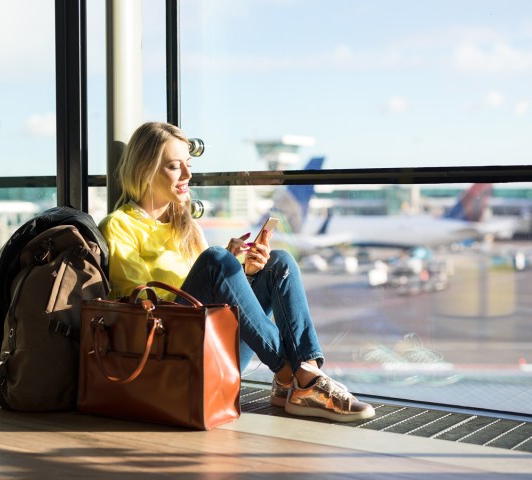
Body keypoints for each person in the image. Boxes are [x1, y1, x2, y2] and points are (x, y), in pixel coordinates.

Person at [99, 121, 375, 422]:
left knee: (278, 263)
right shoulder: (120, 225)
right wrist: (218, 267)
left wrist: (241, 273)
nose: (188, 175)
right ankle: (294, 376)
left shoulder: (185, 226)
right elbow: (139, 309)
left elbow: (210, 297)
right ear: (146, 169)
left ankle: (294, 380)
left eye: (188, 165)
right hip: (171, 352)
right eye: (175, 167)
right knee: (217, 258)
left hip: (209, 340)